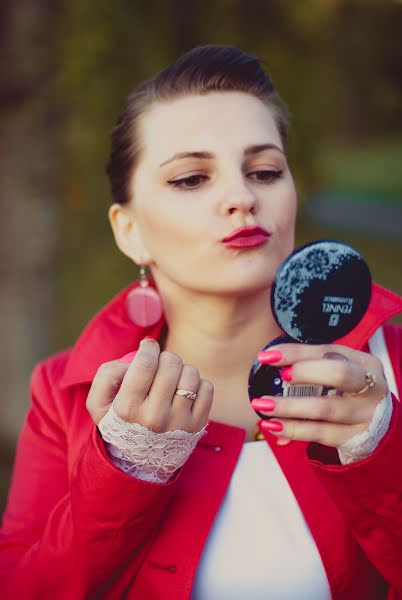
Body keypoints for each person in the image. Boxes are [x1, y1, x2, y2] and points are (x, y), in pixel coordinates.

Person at [1, 44, 402, 600]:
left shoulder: (387, 370)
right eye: (191, 179)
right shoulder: (64, 394)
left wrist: (381, 453)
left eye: (264, 171)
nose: (241, 198)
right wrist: (124, 471)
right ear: (129, 231)